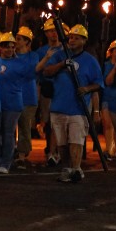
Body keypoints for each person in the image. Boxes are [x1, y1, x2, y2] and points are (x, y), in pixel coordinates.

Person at [39, 23, 102, 183]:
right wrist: (61, 64)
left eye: (76, 38)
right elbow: (46, 71)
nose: (72, 40)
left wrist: (86, 89)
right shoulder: (60, 55)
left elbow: (98, 83)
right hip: (59, 106)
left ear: (84, 41)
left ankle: (76, 168)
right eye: (71, 37)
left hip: (78, 109)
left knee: (75, 140)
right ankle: (66, 168)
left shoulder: (90, 61)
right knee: (61, 142)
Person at [0, 32, 36, 174]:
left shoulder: (20, 63)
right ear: (0, 47)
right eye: (6, 47)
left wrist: (47, 58)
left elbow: (34, 73)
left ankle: (6, 162)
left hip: (13, 104)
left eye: (12, 47)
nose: (9, 49)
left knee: (8, 133)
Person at [37, 17, 65, 167]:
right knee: (47, 120)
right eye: (50, 31)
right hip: (47, 87)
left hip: (61, 88)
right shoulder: (41, 51)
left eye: (55, 31)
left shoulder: (65, 49)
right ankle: (50, 149)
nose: (53, 34)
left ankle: (56, 151)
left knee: (59, 120)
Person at [14, 25, 40, 168]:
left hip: (28, 96)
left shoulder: (33, 56)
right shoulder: (12, 55)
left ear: (27, 42)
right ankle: (14, 150)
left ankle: (22, 154)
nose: (16, 42)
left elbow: (30, 72)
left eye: (19, 39)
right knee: (10, 126)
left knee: (24, 125)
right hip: (13, 94)